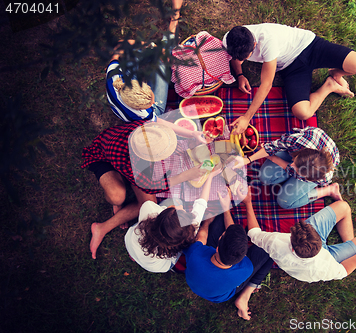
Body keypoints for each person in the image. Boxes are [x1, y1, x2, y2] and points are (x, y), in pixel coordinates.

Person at [82, 120, 207, 259]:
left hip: (131, 165)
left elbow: (157, 120)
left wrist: (192, 133)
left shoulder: (147, 131)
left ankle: (103, 226)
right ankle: (112, 212)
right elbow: (149, 185)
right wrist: (185, 176)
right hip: (103, 159)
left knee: (148, 206)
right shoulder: (134, 164)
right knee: (117, 197)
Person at [222, 23, 356, 133]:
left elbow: (266, 85)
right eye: (238, 58)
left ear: (254, 44)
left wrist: (247, 118)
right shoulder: (229, 40)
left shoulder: (268, 41)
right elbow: (235, 58)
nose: (241, 61)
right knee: (303, 113)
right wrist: (240, 74)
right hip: (291, 68)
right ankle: (329, 85)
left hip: (310, 46)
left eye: (245, 57)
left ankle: (336, 73)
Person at [246, 196, 356, 282]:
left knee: (344, 208)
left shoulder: (277, 242)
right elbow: (344, 270)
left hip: (310, 260)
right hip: (331, 258)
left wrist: (247, 202)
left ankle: (354, 254)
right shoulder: (325, 268)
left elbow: (253, 233)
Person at [183, 187, 273, 320]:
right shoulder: (246, 268)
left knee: (216, 219)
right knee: (270, 249)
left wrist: (208, 222)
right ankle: (248, 290)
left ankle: (244, 296)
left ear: (217, 247)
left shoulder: (195, 254)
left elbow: (202, 235)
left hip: (198, 282)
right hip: (221, 293)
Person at [125, 164, 221, 272]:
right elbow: (202, 202)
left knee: (138, 229)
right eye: (180, 209)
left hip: (131, 243)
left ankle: (133, 254)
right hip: (156, 266)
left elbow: (200, 203)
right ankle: (136, 256)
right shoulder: (190, 230)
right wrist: (211, 176)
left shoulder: (149, 209)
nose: (180, 206)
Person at [236, 126, 341, 209]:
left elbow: (289, 167)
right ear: (300, 153)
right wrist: (248, 160)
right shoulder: (297, 141)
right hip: (298, 151)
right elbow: (273, 146)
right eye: (294, 162)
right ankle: (293, 170)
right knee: (264, 178)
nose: (291, 165)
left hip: (307, 170)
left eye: (296, 169)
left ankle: (329, 190)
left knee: (284, 202)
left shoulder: (322, 177)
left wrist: (273, 158)